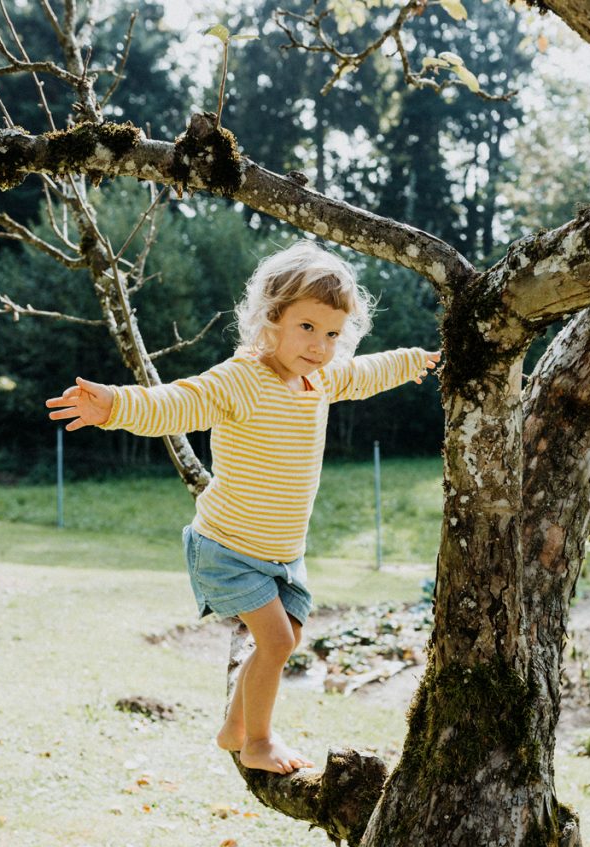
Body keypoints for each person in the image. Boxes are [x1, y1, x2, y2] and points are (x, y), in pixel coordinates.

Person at [46, 240, 440, 775]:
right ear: (272, 319)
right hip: (227, 547)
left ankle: (233, 727)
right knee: (277, 640)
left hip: (282, 552)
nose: (320, 345)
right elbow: (175, 403)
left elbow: (364, 373)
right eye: (307, 328)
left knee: (290, 637)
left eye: (331, 333)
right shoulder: (240, 379)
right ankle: (258, 741)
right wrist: (115, 404)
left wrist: (411, 361)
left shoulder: (319, 379)